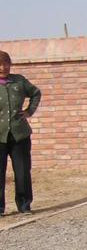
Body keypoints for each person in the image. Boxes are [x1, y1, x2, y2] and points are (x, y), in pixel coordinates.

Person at [0, 51, 41, 216]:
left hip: (20, 135)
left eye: (6, 63)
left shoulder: (19, 81)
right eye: (0, 64)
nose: (3, 67)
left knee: (23, 171)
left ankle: (24, 206)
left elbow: (36, 93)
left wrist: (29, 111)